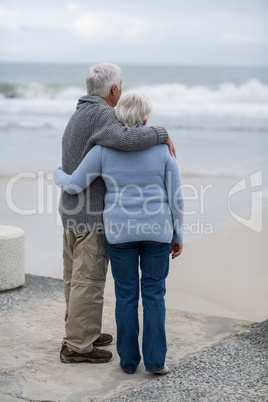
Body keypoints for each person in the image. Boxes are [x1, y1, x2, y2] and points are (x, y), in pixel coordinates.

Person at [55, 93, 184, 374]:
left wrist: (57, 174)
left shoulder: (102, 150)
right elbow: (176, 199)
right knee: (154, 295)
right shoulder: (163, 150)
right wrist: (178, 234)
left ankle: (128, 362)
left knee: (126, 297)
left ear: (118, 117)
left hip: (119, 234)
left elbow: (75, 185)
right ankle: (155, 362)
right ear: (146, 118)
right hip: (157, 233)